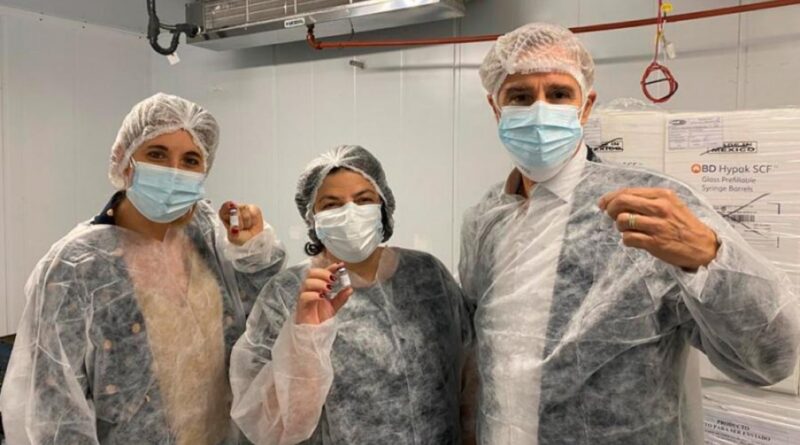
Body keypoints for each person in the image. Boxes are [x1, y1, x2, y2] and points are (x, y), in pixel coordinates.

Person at [459, 23, 800, 444]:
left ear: (585, 107)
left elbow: (769, 360)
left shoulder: (653, 206)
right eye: (520, 97)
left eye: (559, 94)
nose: (540, 111)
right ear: (496, 108)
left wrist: (710, 258)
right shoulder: (485, 221)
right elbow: (479, 351)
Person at [0, 93, 286, 444]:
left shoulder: (207, 235)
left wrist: (253, 255)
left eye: (190, 160)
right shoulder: (77, 265)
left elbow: (261, 332)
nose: (174, 171)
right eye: (157, 154)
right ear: (124, 160)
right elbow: (53, 408)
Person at [230, 145, 473, 444]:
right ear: (313, 218)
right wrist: (305, 338)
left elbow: (471, 377)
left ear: (383, 206)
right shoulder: (288, 295)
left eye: (363, 200)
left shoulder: (428, 276)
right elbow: (268, 422)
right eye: (331, 205)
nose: (349, 213)